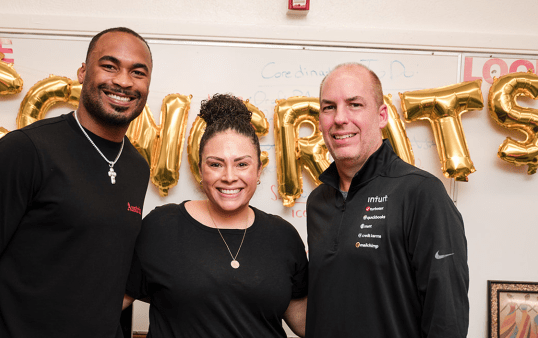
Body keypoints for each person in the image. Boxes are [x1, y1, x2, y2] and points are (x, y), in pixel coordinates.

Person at [0, 27, 152, 338]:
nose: (123, 81)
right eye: (109, 66)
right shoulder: (26, 150)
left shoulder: (137, 166)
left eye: (138, 72)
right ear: (83, 72)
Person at [305, 63, 469, 337]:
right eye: (328, 107)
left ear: (382, 115)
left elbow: (447, 318)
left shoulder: (422, 192)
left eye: (355, 104)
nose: (340, 118)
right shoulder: (317, 202)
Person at [124, 93, 308, 337]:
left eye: (242, 164)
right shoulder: (161, 227)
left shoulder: (284, 236)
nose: (229, 176)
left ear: (259, 170)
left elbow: (307, 323)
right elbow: (104, 307)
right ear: (200, 168)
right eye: (215, 164)